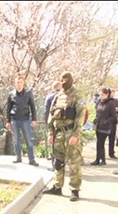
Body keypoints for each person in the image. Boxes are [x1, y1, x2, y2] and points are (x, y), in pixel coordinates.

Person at [43, 72, 86, 201]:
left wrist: (76, 134)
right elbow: (51, 116)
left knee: (74, 162)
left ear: (71, 80)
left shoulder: (78, 95)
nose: (63, 82)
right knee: (58, 162)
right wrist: (50, 133)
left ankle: (75, 190)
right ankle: (57, 186)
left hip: (70, 133)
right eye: (62, 80)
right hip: (58, 134)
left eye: (66, 79)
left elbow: (80, 116)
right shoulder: (57, 96)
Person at [6, 75, 40, 166]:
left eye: (21, 82)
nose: (19, 84)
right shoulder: (11, 94)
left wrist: (34, 119)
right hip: (15, 120)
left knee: (28, 140)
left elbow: (32, 107)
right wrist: (8, 121)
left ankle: (31, 159)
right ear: (15, 83)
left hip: (25, 120)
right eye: (17, 82)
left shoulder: (28, 93)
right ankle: (18, 157)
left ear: (23, 83)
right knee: (16, 140)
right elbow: (8, 108)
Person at [90, 88, 117, 166]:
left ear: (107, 94)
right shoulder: (100, 102)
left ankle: (103, 160)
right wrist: (95, 119)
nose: (101, 96)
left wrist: (106, 121)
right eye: (100, 94)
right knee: (98, 143)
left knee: (101, 143)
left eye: (103, 95)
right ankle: (97, 159)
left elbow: (113, 116)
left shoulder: (111, 103)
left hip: (105, 127)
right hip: (98, 125)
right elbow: (98, 112)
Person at [44, 81, 62, 171]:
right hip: (62, 124)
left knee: (53, 144)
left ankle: (54, 165)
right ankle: (61, 164)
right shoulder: (63, 97)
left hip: (52, 123)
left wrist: (47, 123)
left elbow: (46, 111)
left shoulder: (49, 97)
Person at [108, 89, 118, 159]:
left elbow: (117, 110)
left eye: (113, 93)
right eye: (112, 93)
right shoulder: (106, 101)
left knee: (112, 138)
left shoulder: (115, 101)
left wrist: (117, 109)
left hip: (113, 122)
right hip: (106, 122)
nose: (113, 94)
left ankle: (111, 153)